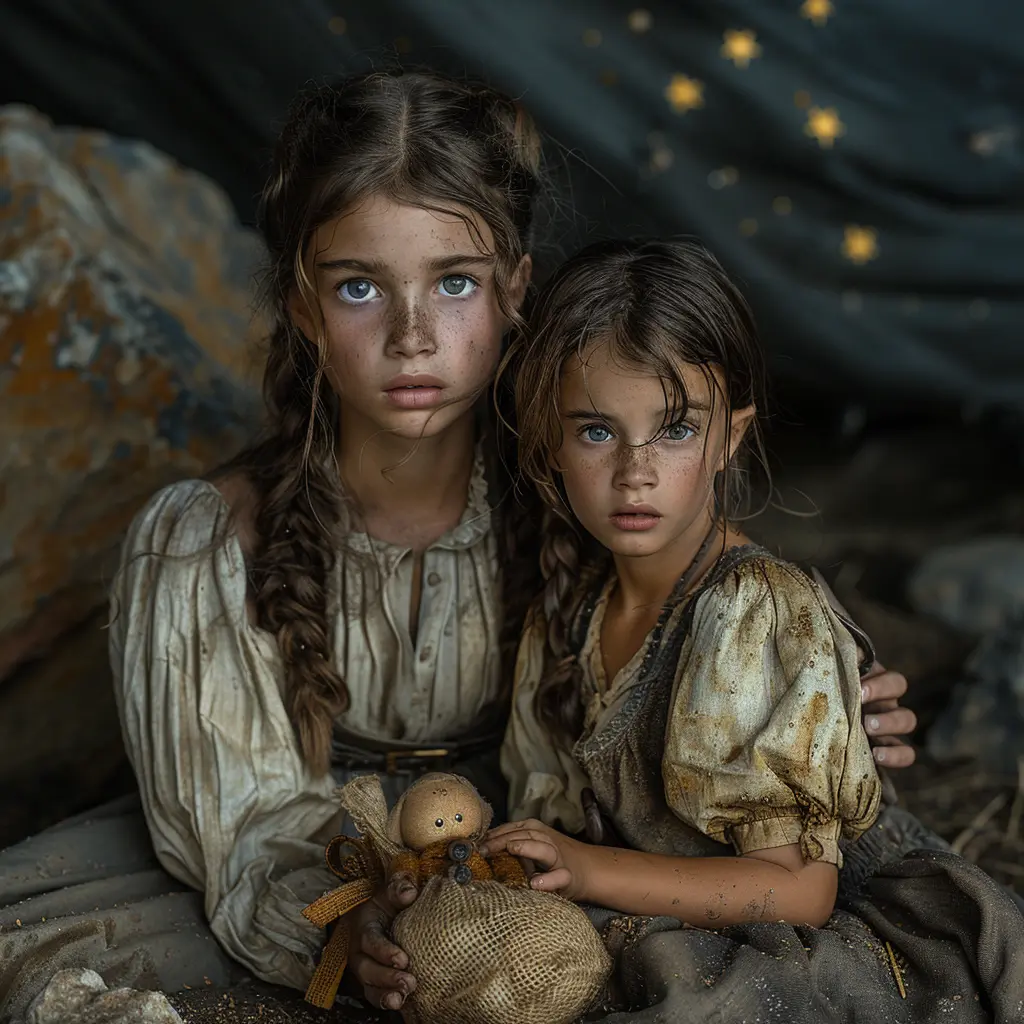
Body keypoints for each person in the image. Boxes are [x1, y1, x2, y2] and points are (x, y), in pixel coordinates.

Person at [0, 72, 915, 1022]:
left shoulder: (590, 487)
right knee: (41, 946)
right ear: (304, 307)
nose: (413, 337)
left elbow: (721, 618)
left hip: (541, 851)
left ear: (515, 288)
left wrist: (822, 702)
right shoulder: (204, 544)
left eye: (455, 283)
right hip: (295, 869)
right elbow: (240, 831)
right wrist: (341, 924)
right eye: (360, 287)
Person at [481, 238, 1024, 1021]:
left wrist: (587, 870)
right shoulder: (567, 610)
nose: (635, 471)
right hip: (660, 911)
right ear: (549, 440)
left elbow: (800, 890)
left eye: (674, 430)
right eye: (597, 431)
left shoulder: (754, 612)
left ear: (730, 436)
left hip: (808, 933)